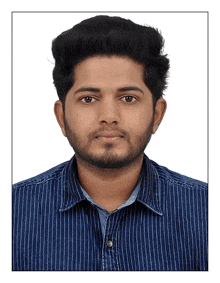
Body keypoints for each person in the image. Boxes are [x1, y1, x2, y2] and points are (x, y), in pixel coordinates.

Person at [12, 15, 208, 271]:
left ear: (156, 115)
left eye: (128, 98)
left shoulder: (206, 211)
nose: (108, 117)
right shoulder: (12, 212)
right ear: (61, 116)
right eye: (88, 99)